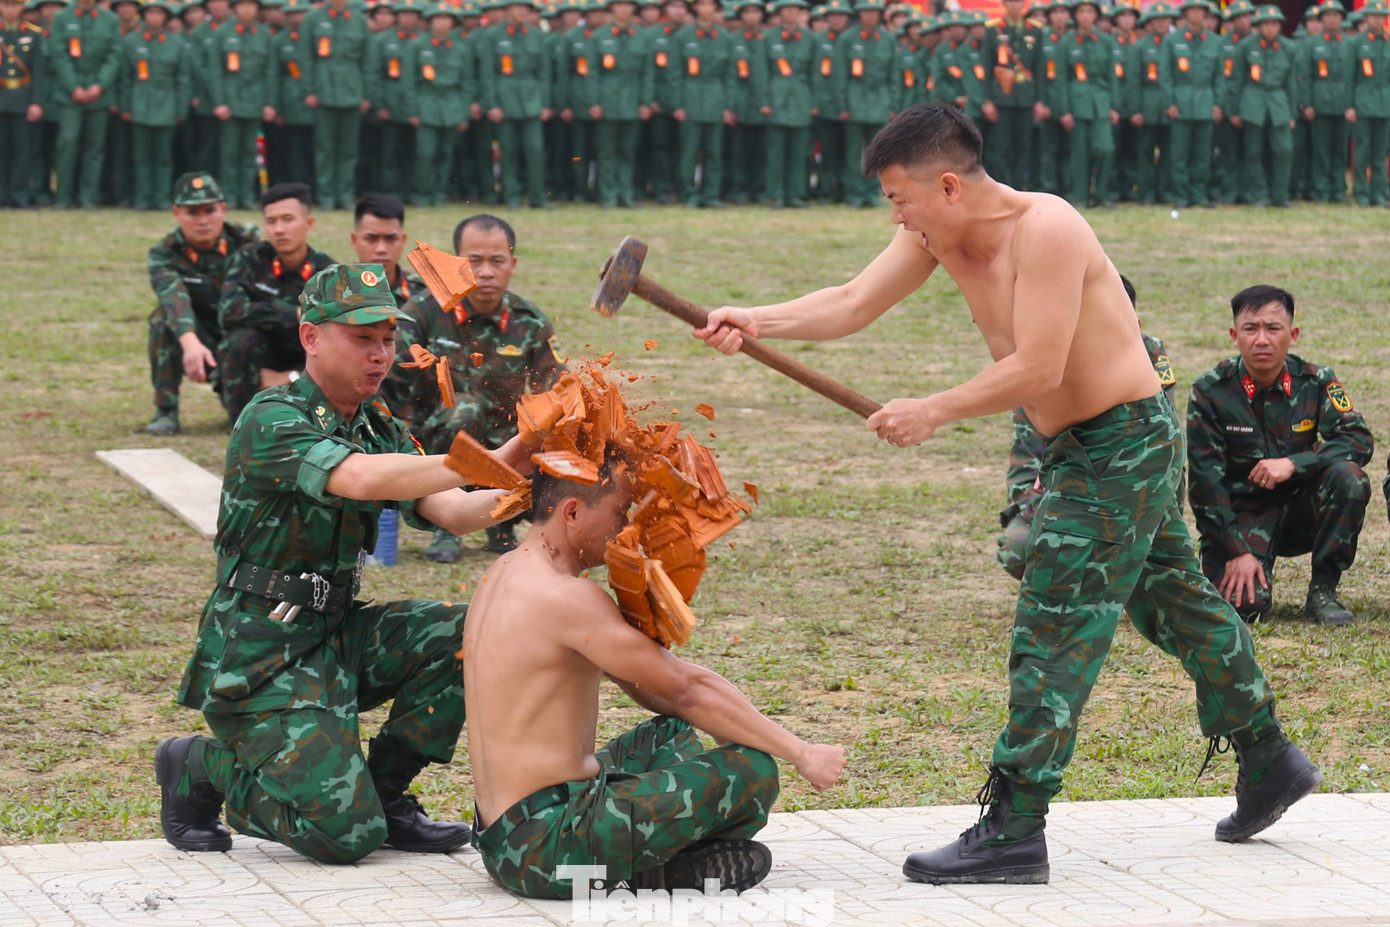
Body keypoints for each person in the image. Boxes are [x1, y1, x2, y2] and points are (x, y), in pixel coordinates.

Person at [694, 103, 1320, 886]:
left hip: (1121, 441)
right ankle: (1268, 754)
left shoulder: (1046, 229)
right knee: (1174, 602)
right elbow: (854, 301)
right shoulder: (936, 234)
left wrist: (934, 408)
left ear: (948, 184)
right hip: (1082, 446)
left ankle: (1015, 826)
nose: (896, 214)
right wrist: (755, 320)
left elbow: (1041, 367)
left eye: (900, 198)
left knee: (1054, 627)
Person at [155, 262, 525, 864]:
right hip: (262, 653)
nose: (380, 354)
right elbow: (356, 477)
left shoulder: (376, 425)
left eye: (388, 338)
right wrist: (486, 460)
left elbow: (456, 512)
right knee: (344, 837)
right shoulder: (271, 418)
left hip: (334, 632)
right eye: (361, 338)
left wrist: (539, 473)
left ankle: (386, 792)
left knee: (473, 630)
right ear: (310, 337)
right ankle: (202, 765)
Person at [464, 454, 847, 899]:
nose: (625, 527)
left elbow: (656, 691)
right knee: (754, 769)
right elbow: (685, 689)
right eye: (618, 510)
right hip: (546, 851)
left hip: (506, 836)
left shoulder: (501, 575)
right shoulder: (566, 597)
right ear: (572, 512)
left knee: (671, 735)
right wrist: (801, 752)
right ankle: (660, 870)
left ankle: (654, 860)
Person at [1187, 284, 1372, 626]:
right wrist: (1235, 551)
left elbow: (1358, 440)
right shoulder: (1210, 392)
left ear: (1292, 334)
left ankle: (1323, 591)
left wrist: (1293, 464)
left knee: (1349, 478)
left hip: (1302, 511)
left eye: (1273, 328)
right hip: (1242, 518)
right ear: (1234, 335)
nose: (1262, 339)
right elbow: (1204, 485)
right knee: (1244, 608)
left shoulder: (1315, 381)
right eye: (1251, 328)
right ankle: (1248, 566)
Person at [392, 213, 564, 561]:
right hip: (434, 439)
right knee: (464, 412)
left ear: (512, 264)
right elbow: (391, 383)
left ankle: (502, 521)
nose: (486, 271)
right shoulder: (423, 313)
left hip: (505, 441)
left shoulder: (529, 321)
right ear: (455, 263)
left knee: (543, 436)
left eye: (497, 261)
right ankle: (447, 521)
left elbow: (557, 392)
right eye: (474, 261)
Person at [998, 274, 1177, 581]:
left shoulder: (1148, 356)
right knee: (1020, 549)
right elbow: (1025, 467)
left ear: (1134, 325)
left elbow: (1161, 454)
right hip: (1063, 497)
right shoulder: (1041, 365)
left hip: (1132, 495)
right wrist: (1045, 506)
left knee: (1153, 561)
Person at [145, 172, 260, 436]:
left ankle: (244, 400)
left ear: (223, 209)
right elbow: (174, 298)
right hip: (200, 337)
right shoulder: (165, 252)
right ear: (177, 213)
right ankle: (166, 409)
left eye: (210, 210)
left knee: (246, 414)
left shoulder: (249, 240)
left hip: (245, 336)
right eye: (192, 212)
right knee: (162, 318)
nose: (203, 220)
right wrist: (190, 343)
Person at [218, 181, 334, 424]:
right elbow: (229, 312)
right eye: (272, 221)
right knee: (240, 339)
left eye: (288, 219)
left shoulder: (326, 273)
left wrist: (288, 376)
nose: (279, 229)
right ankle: (241, 422)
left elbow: (335, 341)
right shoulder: (249, 260)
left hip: (303, 366)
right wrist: (293, 313)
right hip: (257, 362)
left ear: (309, 223)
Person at [477, 0, 553, 209]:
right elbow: (487, 74)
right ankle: (512, 196)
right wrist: (491, 104)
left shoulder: (536, 35)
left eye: (525, 8)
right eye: (517, 7)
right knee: (508, 150)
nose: (521, 12)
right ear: (507, 9)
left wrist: (545, 103)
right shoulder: (493, 35)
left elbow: (543, 73)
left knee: (535, 150)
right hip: (505, 99)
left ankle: (538, 197)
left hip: (531, 99)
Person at [47, 0, 122, 209]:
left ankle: (89, 197)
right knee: (67, 143)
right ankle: (63, 197)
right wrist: (73, 87)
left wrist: (100, 85)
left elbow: (115, 55)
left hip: (99, 95)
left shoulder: (110, 20)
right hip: (69, 95)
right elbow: (59, 54)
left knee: (95, 148)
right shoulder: (62, 17)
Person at [300, 0, 371, 210]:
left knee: (349, 148)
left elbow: (367, 60)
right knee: (324, 147)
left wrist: (366, 93)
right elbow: (305, 56)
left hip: (352, 89)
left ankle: (345, 195)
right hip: (323, 90)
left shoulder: (359, 20)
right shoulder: (313, 19)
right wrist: (309, 89)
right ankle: (326, 196)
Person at [207, 0, 278, 209]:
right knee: (229, 153)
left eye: (251, 5)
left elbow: (270, 72)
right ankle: (229, 196)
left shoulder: (264, 35)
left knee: (249, 154)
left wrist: (269, 103)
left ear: (257, 9)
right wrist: (219, 102)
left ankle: (246, 196)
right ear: (234, 8)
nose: (247, 10)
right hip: (230, 102)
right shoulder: (222, 33)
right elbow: (215, 72)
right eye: (242, 5)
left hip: (255, 102)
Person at [1229, 5, 1295, 208]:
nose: (1270, 28)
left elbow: (1291, 83)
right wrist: (1234, 110)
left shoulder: (1288, 48)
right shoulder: (1246, 46)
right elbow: (1237, 79)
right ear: (1259, 26)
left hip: (1278, 101)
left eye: (1274, 24)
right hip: (1252, 99)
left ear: (1280, 26)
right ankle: (1258, 194)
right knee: (1253, 151)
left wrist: (1292, 114)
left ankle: (1279, 195)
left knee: (1284, 149)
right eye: (1266, 24)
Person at [1161, 0, 1222, 209]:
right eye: (1192, 10)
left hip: (1205, 104)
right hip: (1181, 104)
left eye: (1200, 11)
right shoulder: (1172, 40)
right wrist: (1169, 102)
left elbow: (1220, 76)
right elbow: (1165, 75)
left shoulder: (1215, 41)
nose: (1196, 14)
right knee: (1179, 154)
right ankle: (1181, 195)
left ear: (1205, 14)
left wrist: (1217, 103)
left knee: (1202, 154)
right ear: (1185, 14)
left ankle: (1199, 195)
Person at [980, 0, 1044, 191]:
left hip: (1025, 97)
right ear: (1004, 4)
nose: (1014, 5)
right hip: (1001, 98)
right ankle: (1004, 189)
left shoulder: (1035, 30)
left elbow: (1040, 68)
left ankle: (1018, 188)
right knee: (1002, 148)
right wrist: (987, 100)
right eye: (1010, 1)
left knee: (1023, 147)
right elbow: (986, 68)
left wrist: (1039, 100)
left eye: (1018, 1)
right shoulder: (993, 30)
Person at [0, 0, 44, 209]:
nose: (10, 9)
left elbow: (38, 72)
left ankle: (19, 193)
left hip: (23, 99)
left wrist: (36, 102)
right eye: (5, 4)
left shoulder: (34, 34)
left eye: (14, 5)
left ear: (22, 7)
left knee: (22, 150)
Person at [1346, 0, 1389, 207]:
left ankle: (1377, 193)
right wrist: (1349, 105)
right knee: (1362, 150)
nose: (1377, 19)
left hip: (1385, 105)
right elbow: (1349, 77)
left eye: (1381, 16)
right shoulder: (1356, 43)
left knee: (1380, 152)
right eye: (1373, 16)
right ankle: (1361, 192)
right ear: (1366, 18)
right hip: (1362, 103)